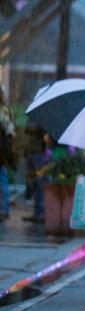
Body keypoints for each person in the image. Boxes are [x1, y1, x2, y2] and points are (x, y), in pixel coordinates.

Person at [0, 89, 14, 222]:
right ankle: (4, 209)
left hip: (1, 152)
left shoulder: (3, 111)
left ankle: (4, 209)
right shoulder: (4, 110)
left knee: (2, 180)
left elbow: (9, 132)